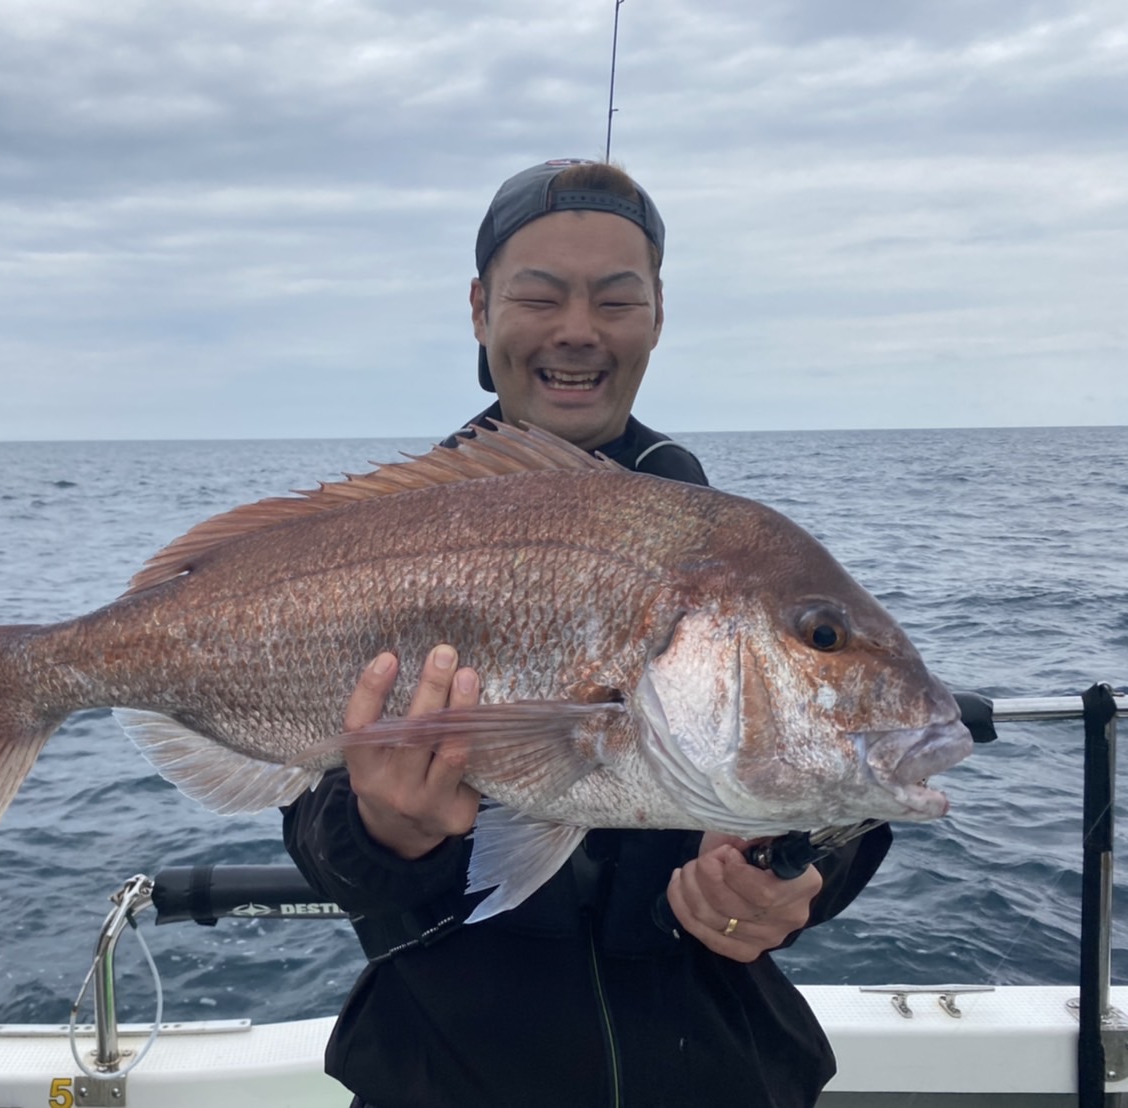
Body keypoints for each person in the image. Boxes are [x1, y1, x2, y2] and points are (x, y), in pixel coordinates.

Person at [283, 159, 892, 1108]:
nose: (577, 330)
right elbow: (307, 816)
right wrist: (385, 834)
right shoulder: (389, 542)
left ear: (657, 316)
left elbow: (832, 786)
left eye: (616, 298)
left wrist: (798, 874)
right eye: (539, 296)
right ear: (481, 310)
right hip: (443, 1076)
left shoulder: (730, 549)